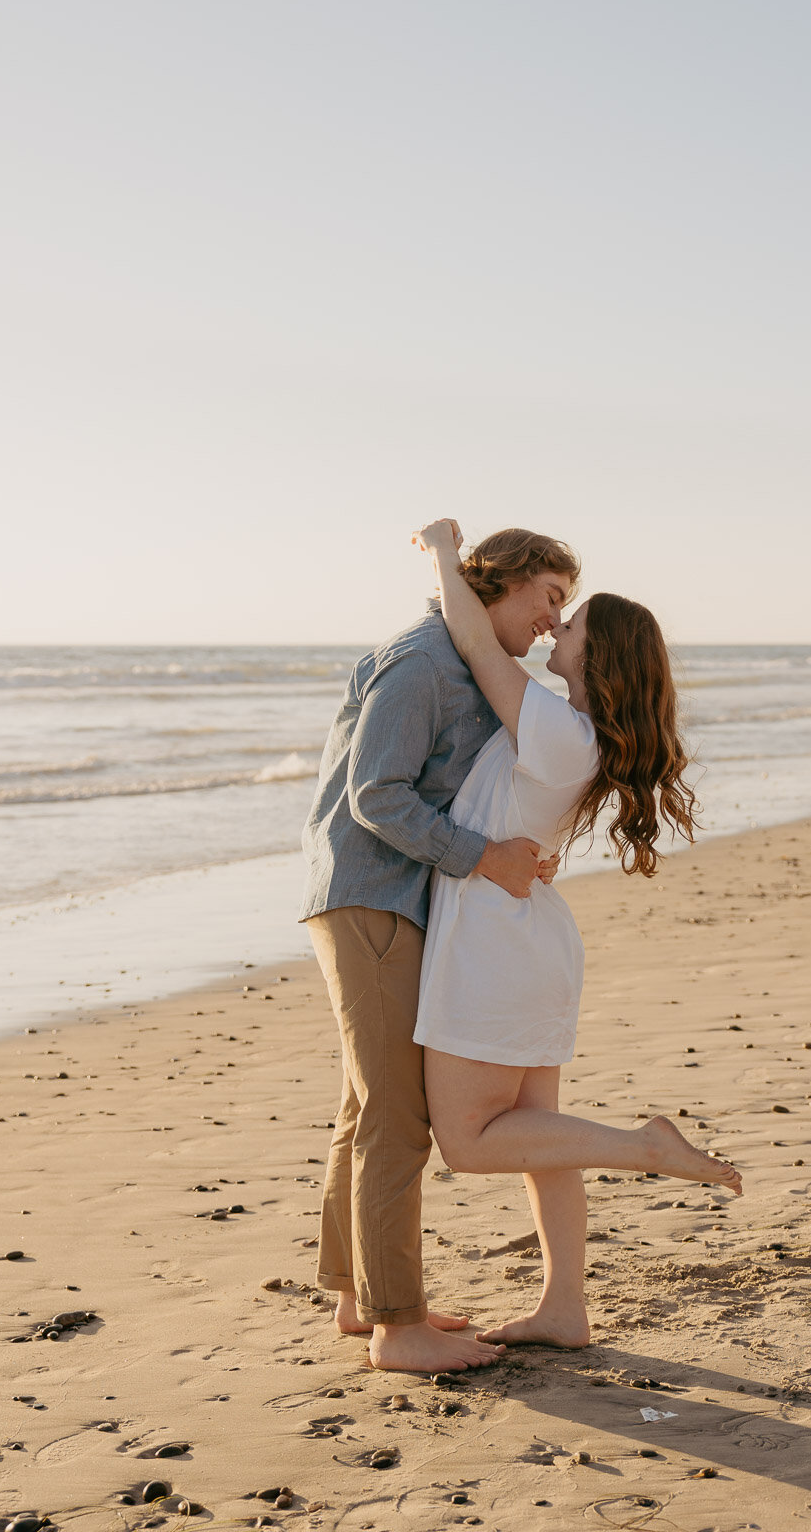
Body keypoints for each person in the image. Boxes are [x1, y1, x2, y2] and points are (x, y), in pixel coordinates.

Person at [414, 519, 742, 1351]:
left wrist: (444, 554)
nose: (556, 628)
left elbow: (474, 644)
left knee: (468, 1142)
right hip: (527, 942)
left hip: (493, 947)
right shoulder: (572, 735)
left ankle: (641, 1146)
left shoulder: (559, 731)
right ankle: (564, 1307)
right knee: (538, 1141)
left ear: (600, 656)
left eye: (573, 620)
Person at [299, 527, 582, 1372]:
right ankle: (397, 1326)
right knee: (396, 1112)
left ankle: (356, 1296)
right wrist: (482, 859)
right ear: (500, 582)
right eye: (549, 597)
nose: (550, 620)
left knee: (365, 1105)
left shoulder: (459, 659)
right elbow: (375, 795)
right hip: (372, 896)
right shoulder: (425, 661)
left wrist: (511, 846)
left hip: (388, 898)